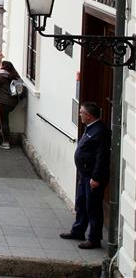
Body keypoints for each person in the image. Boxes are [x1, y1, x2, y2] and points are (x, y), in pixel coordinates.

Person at [60, 102, 110, 249]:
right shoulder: (89, 128)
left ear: (89, 115)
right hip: (84, 175)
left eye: (81, 112)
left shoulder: (100, 131)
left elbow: (102, 157)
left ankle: (94, 238)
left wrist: (96, 177)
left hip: (92, 177)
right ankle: (78, 230)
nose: (79, 114)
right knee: (81, 203)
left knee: (93, 207)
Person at [0, 61, 20, 150]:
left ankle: (6, 142)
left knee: (4, 122)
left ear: (3, 67)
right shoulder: (14, 76)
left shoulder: (0, 77)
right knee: (3, 120)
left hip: (4, 103)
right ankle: (1, 131)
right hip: (13, 102)